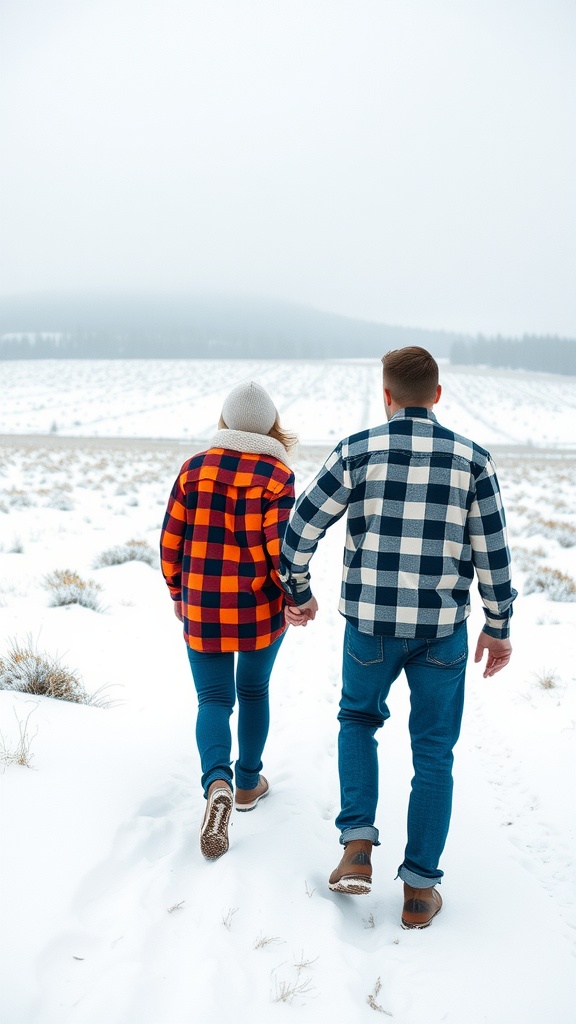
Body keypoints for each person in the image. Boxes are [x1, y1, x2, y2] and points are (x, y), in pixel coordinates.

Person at [279, 347, 516, 928]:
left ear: (385, 396)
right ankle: (418, 890)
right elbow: (493, 552)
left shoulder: (357, 451)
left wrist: (298, 591)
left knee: (358, 720)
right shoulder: (472, 459)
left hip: (369, 626)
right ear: (437, 395)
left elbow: (301, 528)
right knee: (434, 751)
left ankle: (356, 844)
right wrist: (499, 626)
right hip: (442, 632)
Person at [160, 381, 296, 860]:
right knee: (253, 691)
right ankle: (246, 782)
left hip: (202, 604)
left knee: (213, 698)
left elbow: (171, 540)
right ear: (271, 426)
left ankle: (215, 780)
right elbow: (282, 550)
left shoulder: (193, 469)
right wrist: (295, 596)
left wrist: (178, 592)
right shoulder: (277, 475)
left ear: (224, 421)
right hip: (259, 608)